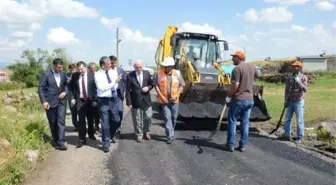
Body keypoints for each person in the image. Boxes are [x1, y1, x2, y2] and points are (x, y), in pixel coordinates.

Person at [225, 51, 261, 152]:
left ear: (239, 58)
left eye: (234, 57)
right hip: (249, 100)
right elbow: (259, 75)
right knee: (245, 123)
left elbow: (235, 85)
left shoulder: (237, 69)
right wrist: (256, 69)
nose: (232, 59)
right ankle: (242, 145)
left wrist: (228, 96)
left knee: (232, 121)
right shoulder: (252, 67)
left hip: (238, 100)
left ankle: (230, 144)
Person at [38, 58, 69, 150]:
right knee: (53, 122)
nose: (61, 69)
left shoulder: (63, 74)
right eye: (59, 67)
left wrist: (65, 92)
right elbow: (41, 88)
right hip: (50, 102)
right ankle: (55, 140)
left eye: (62, 67)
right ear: (54, 66)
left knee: (61, 121)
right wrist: (44, 101)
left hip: (62, 101)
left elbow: (67, 85)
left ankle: (61, 142)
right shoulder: (46, 74)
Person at [154, 56, 185, 144]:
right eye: (164, 66)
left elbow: (181, 86)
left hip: (174, 101)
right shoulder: (159, 74)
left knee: (174, 118)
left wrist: (176, 95)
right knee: (167, 118)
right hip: (164, 101)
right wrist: (162, 97)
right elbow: (156, 86)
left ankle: (171, 131)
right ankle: (170, 136)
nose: (165, 68)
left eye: (166, 66)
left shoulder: (177, 73)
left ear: (171, 67)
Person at [95, 56, 121, 153]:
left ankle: (110, 135)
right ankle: (105, 143)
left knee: (116, 119)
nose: (111, 65)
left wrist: (115, 84)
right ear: (103, 65)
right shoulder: (97, 75)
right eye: (109, 64)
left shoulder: (113, 72)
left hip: (113, 99)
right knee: (105, 123)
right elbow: (101, 88)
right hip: (103, 101)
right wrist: (114, 82)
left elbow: (116, 85)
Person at [69, 61, 98, 147]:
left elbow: (97, 88)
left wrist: (95, 99)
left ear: (85, 67)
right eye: (79, 69)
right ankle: (82, 139)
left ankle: (91, 134)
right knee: (81, 120)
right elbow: (70, 88)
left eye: (81, 69)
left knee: (90, 119)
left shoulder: (92, 75)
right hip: (80, 100)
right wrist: (72, 98)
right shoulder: (75, 76)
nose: (80, 71)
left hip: (90, 100)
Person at [126, 60, 154, 143]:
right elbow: (127, 90)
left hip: (146, 100)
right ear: (134, 67)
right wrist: (129, 102)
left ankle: (147, 131)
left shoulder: (147, 73)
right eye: (137, 67)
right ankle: (139, 134)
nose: (138, 69)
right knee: (137, 118)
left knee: (148, 116)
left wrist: (148, 88)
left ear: (143, 66)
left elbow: (152, 84)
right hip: (135, 100)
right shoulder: (130, 76)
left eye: (140, 67)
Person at [280, 61, 308, 143]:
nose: (294, 67)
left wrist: (299, 82)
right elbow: (286, 90)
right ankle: (286, 135)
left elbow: (305, 89)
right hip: (290, 101)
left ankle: (300, 137)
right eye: (293, 66)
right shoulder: (289, 77)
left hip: (299, 101)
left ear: (299, 68)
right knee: (288, 119)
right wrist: (285, 100)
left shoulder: (303, 77)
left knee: (299, 120)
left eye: (296, 66)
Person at [109, 55, 127, 140]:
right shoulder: (106, 71)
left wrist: (124, 90)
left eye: (115, 63)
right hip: (109, 94)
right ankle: (112, 129)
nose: (113, 65)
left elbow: (126, 81)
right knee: (112, 113)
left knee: (120, 111)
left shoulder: (121, 70)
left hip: (119, 94)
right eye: (112, 63)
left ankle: (118, 126)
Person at [88, 62, 100, 133]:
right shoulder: (87, 76)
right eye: (91, 69)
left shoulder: (98, 75)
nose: (93, 70)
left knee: (97, 114)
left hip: (97, 97)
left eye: (94, 68)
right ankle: (91, 128)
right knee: (90, 115)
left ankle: (96, 126)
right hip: (89, 98)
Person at [66, 63, 78, 132]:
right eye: (70, 70)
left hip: (78, 94)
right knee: (73, 111)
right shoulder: (67, 75)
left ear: (75, 69)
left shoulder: (79, 75)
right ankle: (76, 125)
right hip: (70, 94)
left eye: (73, 70)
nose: (72, 72)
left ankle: (82, 126)